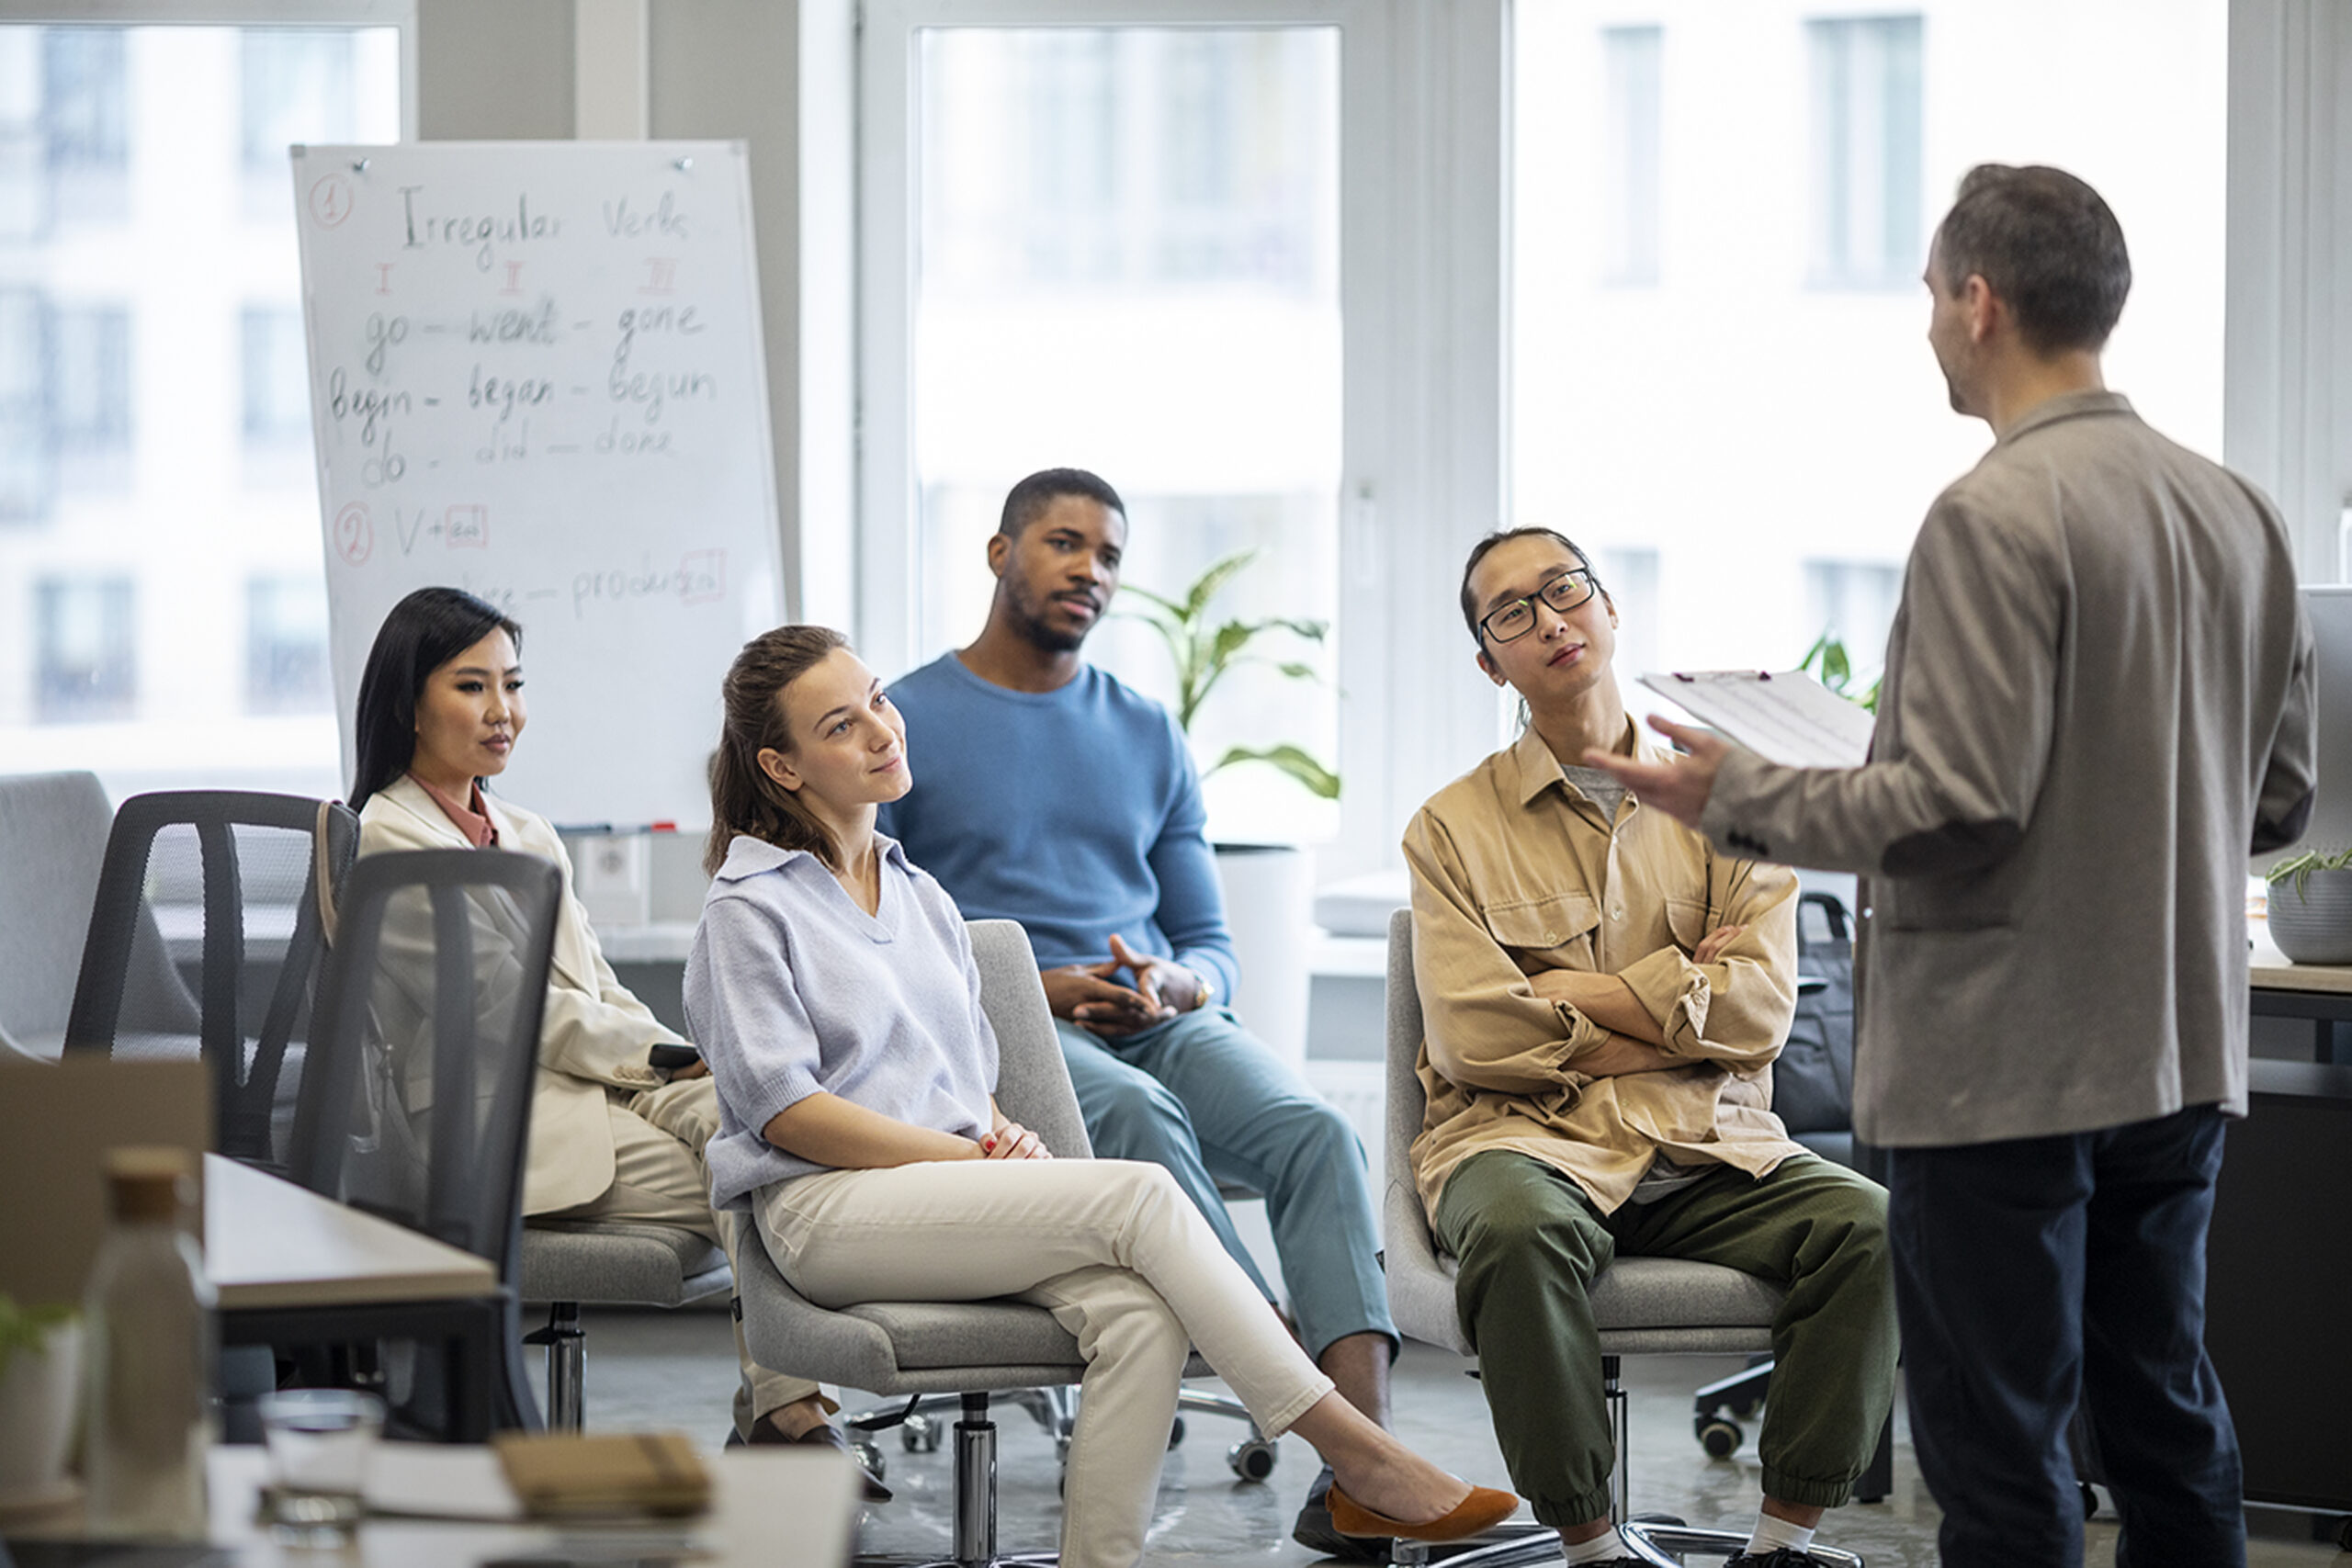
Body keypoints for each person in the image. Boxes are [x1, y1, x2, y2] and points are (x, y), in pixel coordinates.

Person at [1588, 165, 2318, 1568]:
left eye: (1931, 294)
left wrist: (1729, 791)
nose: (1929, 322)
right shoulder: (2239, 512)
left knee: (2002, 1452)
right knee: (2163, 1415)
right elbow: (2273, 797)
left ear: (1979, 301)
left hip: (2005, 1069)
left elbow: (1958, 801)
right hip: (2177, 1050)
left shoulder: (1994, 513)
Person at [684, 624, 1516, 1568]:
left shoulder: (917, 894)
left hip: (944, 1196)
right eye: (841, 725)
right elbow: (786, 1113)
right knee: (1141, 1189)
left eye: (876, 698)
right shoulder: (748, 908)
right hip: (823, 1214)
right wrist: (970, 1156)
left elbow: (963, 1074)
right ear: (781, 768)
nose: (882, 729)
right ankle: (1360, 1456)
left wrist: (1002, 1138)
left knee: (1139, 1313)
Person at [876, 468, 1401, 1555]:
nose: (1089, 571)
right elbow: (878, 936)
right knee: (1142, 1125)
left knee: (1317, 1137)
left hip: (1151, 1011)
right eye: (1064, 543)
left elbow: (1209, 941)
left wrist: (1180, 984)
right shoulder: (904, 720)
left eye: (1108, 556)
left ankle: (1357, 1477)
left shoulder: (1147, 731)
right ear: (998, 553)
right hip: (1001, 1029)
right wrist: (1034, 985)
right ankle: (1311, 1393)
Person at [1406, 528, 1897, 1568]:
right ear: (1490, 662)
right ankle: (1592, 1549)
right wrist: (1681, 1009)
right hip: (1522, 1141)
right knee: (1514, 1234)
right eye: (1510, 613)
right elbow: (1475, 1034)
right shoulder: (1447, 828)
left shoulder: (1732, 804)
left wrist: (1572, 997)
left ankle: (1781, 1545)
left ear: (1609, 607)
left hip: (1705, 1142)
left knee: (1872, 1227)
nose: (1548, 619)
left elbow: (1760, 1014)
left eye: (1563, 590)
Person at [345, 586, 869, 1486]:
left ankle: (785, 1411)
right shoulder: (385, 842)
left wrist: (684, 1056)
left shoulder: (527, 829)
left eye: (512, 683)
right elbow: (507, 1011)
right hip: (487, 1129)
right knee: (742, 1163)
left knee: (764, 1115)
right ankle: (786, 1411)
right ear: (406, 703)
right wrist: (663, 1060)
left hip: (581, 1085)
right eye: (472, 688)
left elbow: (596, 988)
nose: (503, 711)